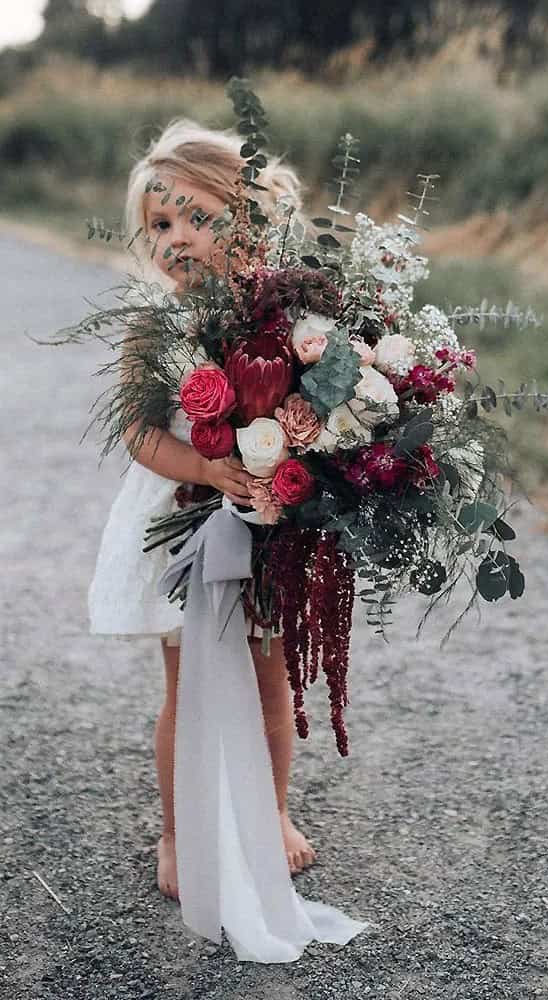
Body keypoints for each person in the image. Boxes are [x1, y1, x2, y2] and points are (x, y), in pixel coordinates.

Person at [87, 120, 317, 903]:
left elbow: (320, 410)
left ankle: (274, 812)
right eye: (159, 224)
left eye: (197, 218)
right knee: (185, 685)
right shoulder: (154, 324)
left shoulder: (288, 317)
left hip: (271, 520)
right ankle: (179, 832)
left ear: (247, 218)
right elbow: (140, 433)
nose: (175, 238)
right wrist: (208, 471)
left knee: (269, 679)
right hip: (183, 516)